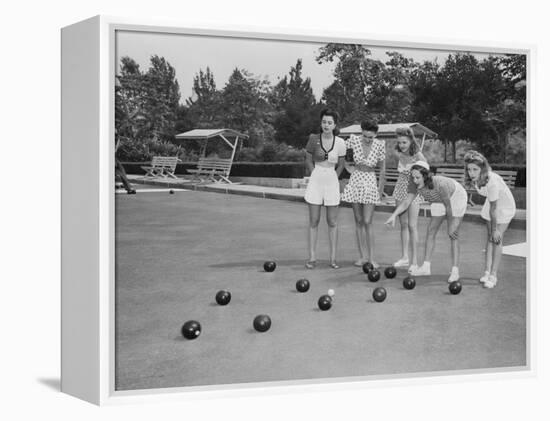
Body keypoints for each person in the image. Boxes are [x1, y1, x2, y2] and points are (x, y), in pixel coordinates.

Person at [385, 162, 467, 282]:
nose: (415, 180)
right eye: (412, 177)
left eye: (418, 177)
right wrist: (394, 215)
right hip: (438, 200)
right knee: (431, 231)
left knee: (453, 234)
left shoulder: (440, 184)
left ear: (425, 176)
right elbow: (407, 202)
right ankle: (426, 267)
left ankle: (455, 271)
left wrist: (450, 226)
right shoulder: (413, 183)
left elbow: (448, 207)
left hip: (455, 197)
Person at [464, 150, 517, 288]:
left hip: (504, 207)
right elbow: (491, 204)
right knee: (489, 238)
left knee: (496, 238)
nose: (472, 172)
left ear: (482, 168)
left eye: (475, 169)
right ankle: (487, 272)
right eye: (469, 169)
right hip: (492, 203)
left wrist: (495, 230)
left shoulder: (492, 181)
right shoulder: (476, 179)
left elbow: (495, 209)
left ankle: (493, 275)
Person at [304, 109, 347, 269]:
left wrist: (334, 177)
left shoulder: (341, 143)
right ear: (320, 123)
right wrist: (314, 172)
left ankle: (333, 259)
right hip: (316, 180)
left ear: (335, 124)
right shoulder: (313, 139)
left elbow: (341, 165)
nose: (326, 125)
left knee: (332, 221)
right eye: (324, 122)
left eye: (329, 122)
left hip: (331, 181)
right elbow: (308, 159)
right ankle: (312, 258)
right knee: (314, 221)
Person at [341, 120, 386, 267]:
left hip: (370, 182)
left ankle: (372, 258)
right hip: (355, 180)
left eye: (370, 137)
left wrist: (380, 190)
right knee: (359, 220)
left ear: (375, 135)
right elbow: (342, 154)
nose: (367, 139)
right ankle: (362, 257)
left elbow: (383, 170)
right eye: (365, 136)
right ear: (362, 132)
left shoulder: (380, 145)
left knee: (368, 221)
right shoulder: (353, 140)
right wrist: (348, 168)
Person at [391, 127, 426, 272]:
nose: (402, 145)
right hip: (400, 188)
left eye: (404, 142)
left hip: (414, 190)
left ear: (411, 140)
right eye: (399, 142)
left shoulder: (418, 156)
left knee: (412, 226)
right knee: (403, 224)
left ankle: (415, 261)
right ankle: (405, 257)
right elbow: (401, 172)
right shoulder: (398, 153)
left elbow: (426, 173)